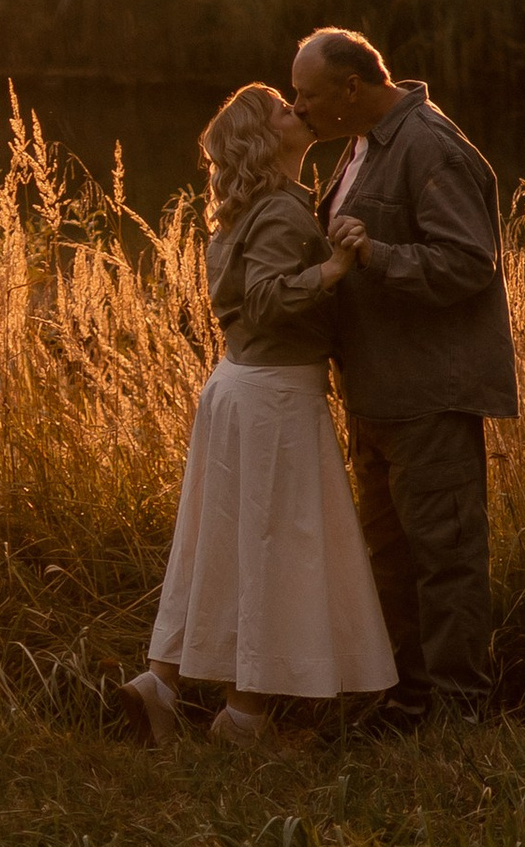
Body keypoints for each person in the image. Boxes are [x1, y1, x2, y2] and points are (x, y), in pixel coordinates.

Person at [119, 81, 400, 746]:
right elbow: (270, 301)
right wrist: (335, 267)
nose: (296, 108)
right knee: (270, 547)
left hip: (242, 387)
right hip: (275, 397)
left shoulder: (250, 208)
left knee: (222, 543)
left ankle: (160, 684)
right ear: (264, 139)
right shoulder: (277, 211)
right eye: (281, 107)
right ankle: (243, 719)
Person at [289, 25, 516, 719]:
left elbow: (469, 262)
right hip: (376, 396)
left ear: (351, 87)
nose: (298, 109)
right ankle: (408, 702)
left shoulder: (429, 145)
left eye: (307, 95)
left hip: (429, 398)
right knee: (389, 560)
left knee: (446, 558)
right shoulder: (362, 142)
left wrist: (378, 255)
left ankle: (459, 711)